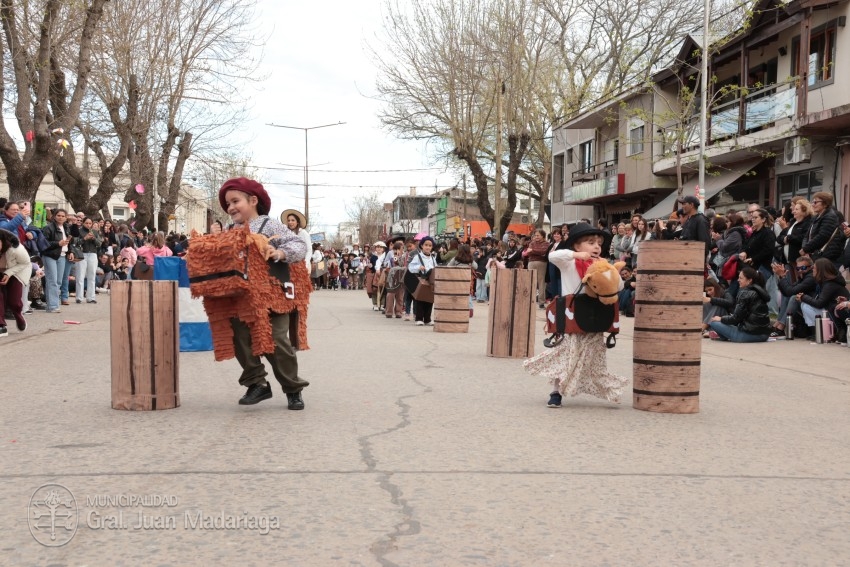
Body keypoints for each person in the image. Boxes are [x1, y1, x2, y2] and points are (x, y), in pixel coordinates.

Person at [217, 177, 309, 409]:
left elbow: (299, 246)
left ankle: (292, 388)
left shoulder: (270, 225)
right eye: (227, 204)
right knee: (239, 338)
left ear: (253, 200)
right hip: (241, 297)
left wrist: (278, 252)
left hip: (273, 295)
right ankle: (256, 383)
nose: (230, 208)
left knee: (276, 340)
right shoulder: (229, 230)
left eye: (235, 201)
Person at [523, 223, 627, 407]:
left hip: (594, 316)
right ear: (577, 246)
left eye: (598, 243)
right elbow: (553, 255)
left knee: (594, 358)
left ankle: (607, 389)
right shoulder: (569, 263)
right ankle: (556, 391)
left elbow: (617, 287)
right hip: (572, 318)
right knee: (565, 354)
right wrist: (576, 255)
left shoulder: (602, 265)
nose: (596, 246)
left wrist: (613, 275)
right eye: (590, 242)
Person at [706, 266, 772, 342]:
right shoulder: (760, 291)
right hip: (764, 335)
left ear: (749, 280)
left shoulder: (745, 293)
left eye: (741, 278)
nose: (738, 280)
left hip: (749, 334)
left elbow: (735, 319)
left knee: (713, 322)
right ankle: (723, 335)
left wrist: (721, 318)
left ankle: (723, 336)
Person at [797, 258, 847, 339]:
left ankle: (820, 332)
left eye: (815, 268)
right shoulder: (824, 282)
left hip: (835, 314)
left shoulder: (830, 284)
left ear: (821, 270)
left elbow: (819, 304)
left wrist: (803, 297)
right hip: (831, 311)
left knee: (806, 305)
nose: (812, 269)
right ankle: (816, 332)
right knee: (804, 304)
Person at [770, 255, 816, 337]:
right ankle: (777, 324)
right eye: (798, 269)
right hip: (808, 304)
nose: (800, 270)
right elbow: (787, 291)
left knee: (793, 297)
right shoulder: (803, 277)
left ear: (811, 267)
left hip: (815, 306)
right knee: (788, 295)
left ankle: (781, 327)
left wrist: (782, 276)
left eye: (804, 268)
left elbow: (791, 292)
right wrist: (781, 277)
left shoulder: (811, 278)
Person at [0, 229, 31, 336]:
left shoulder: (16, 248)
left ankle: (18, 315)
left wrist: (8, 273)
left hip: (18, 270)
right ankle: (1, 326)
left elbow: (25, 263)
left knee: (13, 301)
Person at [40, 209, 71, 313]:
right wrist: (58, 243)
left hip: (62, 255)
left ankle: (52, 304)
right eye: (58, 215)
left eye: (63, 216)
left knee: (58, 281)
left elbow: (68, 242)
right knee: (52, 280)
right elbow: (44, 243)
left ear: (66, 218)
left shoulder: (66, 227)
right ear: (54, 216)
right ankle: (53, 305)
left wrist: (70, 251)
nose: (61, 217)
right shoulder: (48, 227)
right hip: (50, 255)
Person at [801, 192, 843, 265]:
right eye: (812, 202)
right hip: (815, 254)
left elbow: (822, 236)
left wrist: (806, 249)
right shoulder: (816, 217)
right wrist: (805, 248)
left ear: (825, 204)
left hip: (826, 256)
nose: (813, 204)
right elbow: (807, 236)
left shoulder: (830, 216)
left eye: (816, 202)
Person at [407, 236, 437, 326]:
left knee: (429, 299)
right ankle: (419, 318)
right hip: (422, 279)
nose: (428, 247)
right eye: (426, 245)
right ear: (422, 246)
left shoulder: (432, 257)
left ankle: (427, 319)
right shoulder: (417, 256)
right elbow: (410, 267)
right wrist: (418, 267)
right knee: (420, 299)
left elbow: (436, 268)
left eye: (430, 245)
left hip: (430, 281)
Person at [74, 217, 102, 304]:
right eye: (86, 223)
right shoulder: (79, 231)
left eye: (90, 223)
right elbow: (75, 242)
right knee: (80, 275)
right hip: (82, 254)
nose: (88, 225)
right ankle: (79, 297)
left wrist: (94, 238)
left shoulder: (95, 232)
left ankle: (91, 297)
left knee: (92, 276)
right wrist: (84, 238)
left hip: (93, 254)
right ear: (83, 223)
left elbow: (99, 244)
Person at [523, 229, 549, 308]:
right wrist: (536, 252)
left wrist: (533, 251)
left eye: (538, 235)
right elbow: (528, 252)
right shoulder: (531, 243)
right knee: (531, 281)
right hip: (531, 262)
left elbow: (543, 252)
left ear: (543, 236)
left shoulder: (546, 244)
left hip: (542, 263)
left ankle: (541, 302)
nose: (536, 237)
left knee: (541, 282)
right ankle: (530, 299)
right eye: (535, 235)